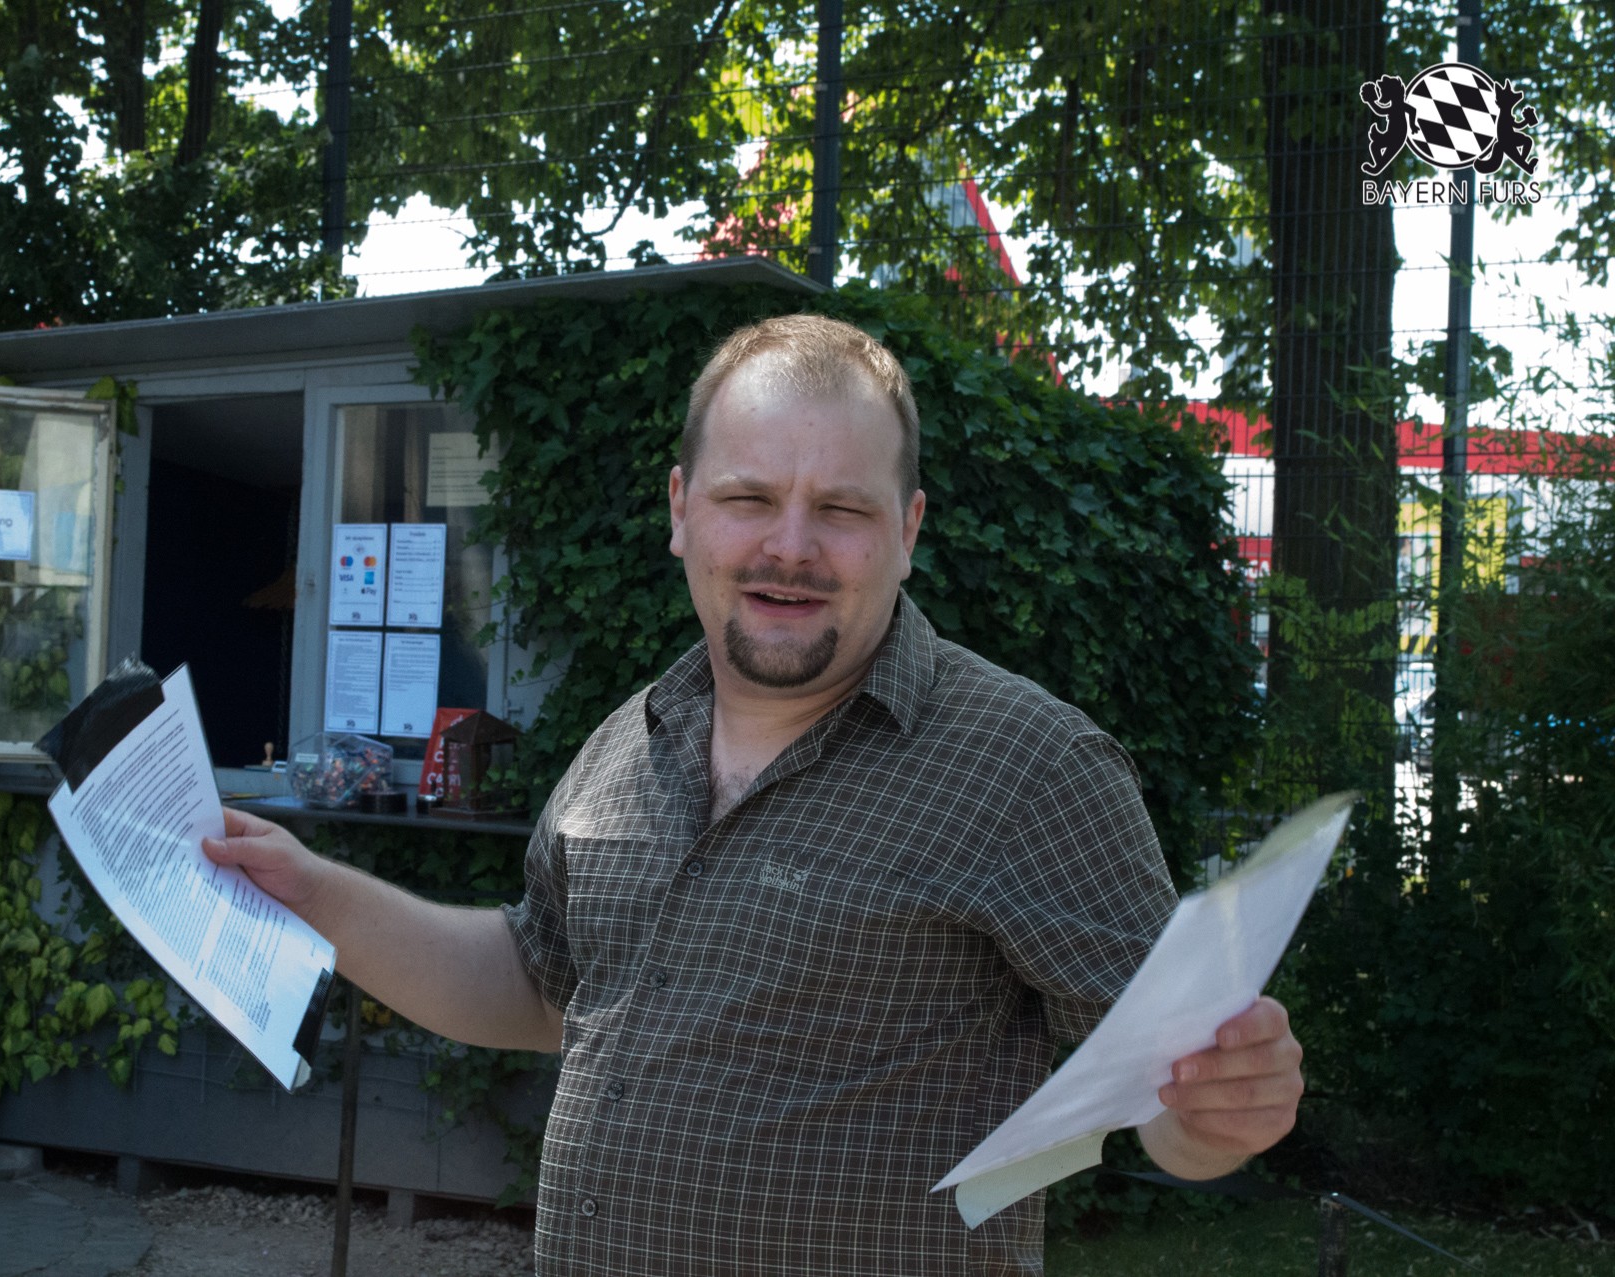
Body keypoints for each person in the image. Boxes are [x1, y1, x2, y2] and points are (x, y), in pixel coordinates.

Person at [205, 314, 1305, 1275]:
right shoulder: (627, 741)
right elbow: (541, 985)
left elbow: (1165, 1088)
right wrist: (315, 895)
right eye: (749, 498)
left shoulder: (1032, 765)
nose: (790, 545)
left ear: (908, 531)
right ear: (682, 509)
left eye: (842, 508)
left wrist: (1221, 1113)